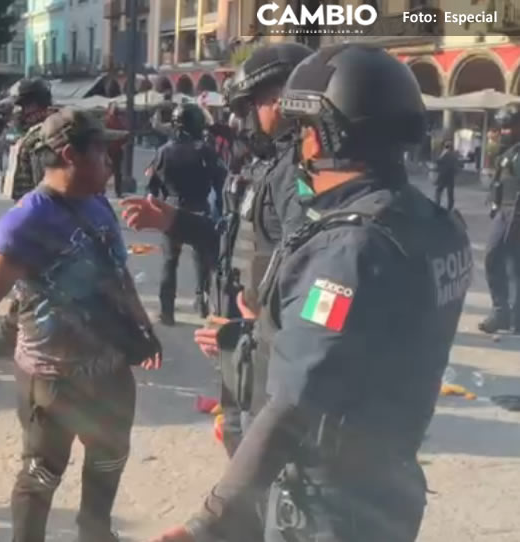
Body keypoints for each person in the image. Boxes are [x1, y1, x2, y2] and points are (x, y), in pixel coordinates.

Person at [150, 44, 471, 542]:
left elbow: (293, 403)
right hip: (391, 479)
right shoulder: (436, 225)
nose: (297, 144)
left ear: (319, 139)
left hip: (329, 501)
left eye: (301, 130)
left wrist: (207, 523)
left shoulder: (351, 245)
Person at [0, 108, 161, 542]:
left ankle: (95, 532)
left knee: (108, 459)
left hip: (110, 371)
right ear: (70, 154)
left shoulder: (99, 204)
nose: (111, 159)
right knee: (41, 476)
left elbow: (119, 274)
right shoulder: (26, 221)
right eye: (102, 150)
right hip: (51, 380)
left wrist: (143, 329)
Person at [122, 42, 312, 455]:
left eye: (251, 106)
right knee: (237, 435)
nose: (243, 120)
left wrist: (258, 327)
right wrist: (173, 221)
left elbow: (308, 276)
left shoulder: (300, 177)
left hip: (271, 355)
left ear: (284, 101)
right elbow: (232, 239)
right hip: (245, 347)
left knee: (259, 463)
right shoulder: (267, 167)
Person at [147, 103, 226, 324]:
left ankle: (167, 311)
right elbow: (220, 181)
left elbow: (152, 186)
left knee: (169, 261)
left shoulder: (163, 152)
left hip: (171, 209)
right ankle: (201, 302)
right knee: (202, 260)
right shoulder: (205, 150)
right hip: (199, 207)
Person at [0, 78, 56, 345]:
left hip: (38, 222)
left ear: (32, 106)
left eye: (19, 106)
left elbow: (42, 187)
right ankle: (14, 331)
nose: (15, 112)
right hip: (32, 220)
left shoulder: (42, 136)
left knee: (28, 280)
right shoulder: (40, 131)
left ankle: (12, 335)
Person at [479, 142, 520, 333]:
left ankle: (515, 317)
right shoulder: (511, 152)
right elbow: (498, 180)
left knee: (515, 268)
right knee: (492, 258)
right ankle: (500, 313)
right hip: (504, 211)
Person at [2, 78, 55, 202]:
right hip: (26, 198)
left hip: (39, 201)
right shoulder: (25, 130)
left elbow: (41, 175)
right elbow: (5, 143)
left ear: (34, 105)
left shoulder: (46, 131)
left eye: (23, 106)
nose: (20, 111)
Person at [104, 102, 128, 197]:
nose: (115, 110)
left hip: (117, 151)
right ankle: (101, 191)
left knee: (117, 173)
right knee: (106, 172)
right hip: (108, 150)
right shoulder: (107, 120)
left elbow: (124, 135)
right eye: (114, 108)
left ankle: (118, 192)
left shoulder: (119, 120)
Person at [434, 141, 459, 211]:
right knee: (450, 193)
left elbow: (438, 162)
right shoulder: (454, 155)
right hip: (450, 177)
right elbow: (456, 166)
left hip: (443, 176)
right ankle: (449, 207)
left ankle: (437, 205)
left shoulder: (444, 154)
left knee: (438, 191)